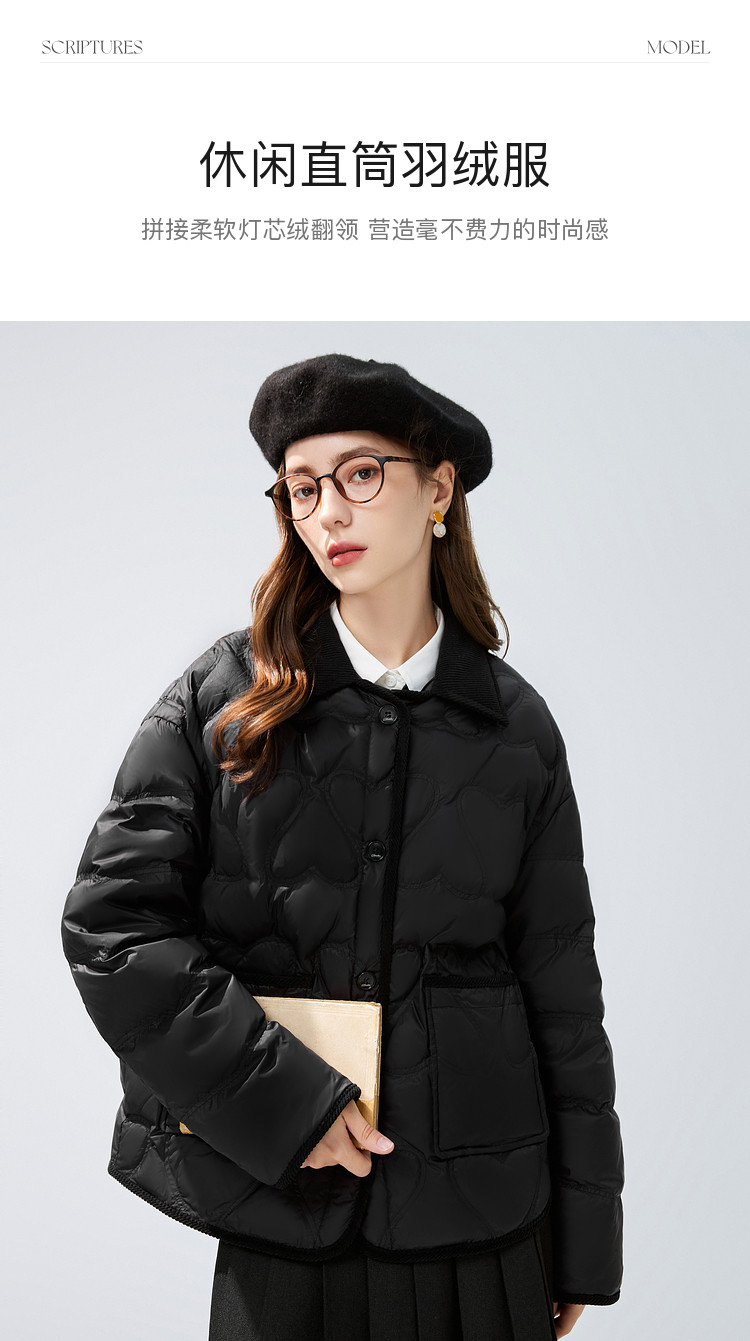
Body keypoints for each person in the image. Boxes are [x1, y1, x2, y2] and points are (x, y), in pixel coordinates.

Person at [61, 354, 624, 1341]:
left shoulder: (517, 729)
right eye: (303, 487)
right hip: (289, 1224)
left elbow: (564, 998)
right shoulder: (222, 701)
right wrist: (286, 1102)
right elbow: (113, 927)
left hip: (486, 1233)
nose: (328, 512)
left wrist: (584, 1240)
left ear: (438, 488)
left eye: (360, 473)